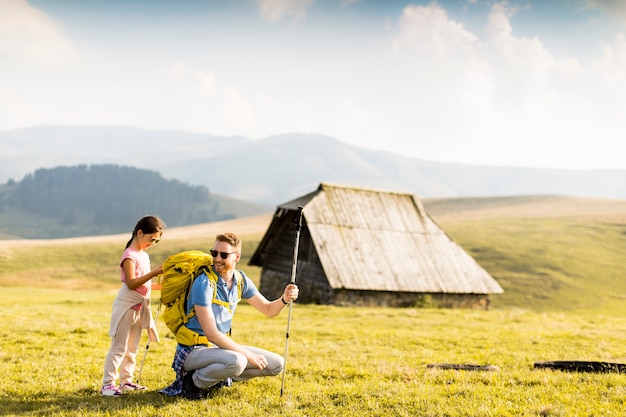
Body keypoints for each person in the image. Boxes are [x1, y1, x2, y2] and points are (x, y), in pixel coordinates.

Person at [160, 232, 299, 400]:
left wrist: (285, 298)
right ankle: (193, 382)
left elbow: (269, 309)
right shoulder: (204, 283)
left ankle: (215, 377)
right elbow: (211, 334)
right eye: (214, 253)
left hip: (221, 349)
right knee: (238, 361)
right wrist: (248, 355)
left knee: (277, 365)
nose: (217, 258)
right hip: (194, 350)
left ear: (236, 257)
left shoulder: (241, 280)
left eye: (224, 255)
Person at [101, 215, 166, 396]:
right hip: (127, 306)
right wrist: (153, 273)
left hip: (140, 307)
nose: (152, 243)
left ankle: (126, 381)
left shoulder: (144, 256)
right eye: (150, 239)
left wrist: (162, 284)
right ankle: (107, 384)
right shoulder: (129, 256)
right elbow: (131, 283)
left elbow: (143, 283)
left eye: (155, 241)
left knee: (132, 347)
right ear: (139, 233)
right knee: (119, 346)